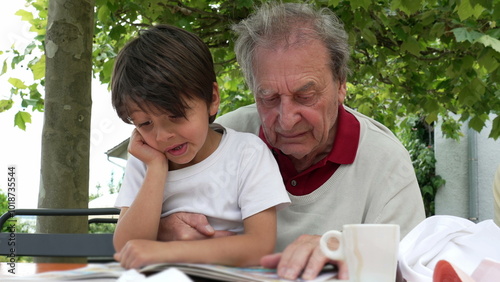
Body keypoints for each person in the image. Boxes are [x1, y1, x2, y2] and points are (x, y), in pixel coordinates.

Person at [157, 2, 426, 280]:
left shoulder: (385, 161)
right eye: (269, 98)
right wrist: (163, 229)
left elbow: (413, 268)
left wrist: (348, 250)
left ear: (341, 85)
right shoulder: (220, 137)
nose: (286, 120)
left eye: (305, 96)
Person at [110, 24, 290, 269]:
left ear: (212, 99)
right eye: (145, 123)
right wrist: (157, 168)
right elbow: (127, 245)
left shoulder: (247, 154)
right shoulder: (145, 160)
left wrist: (170, 252)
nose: (162, 136)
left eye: (175, 116)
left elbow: (260, 247)